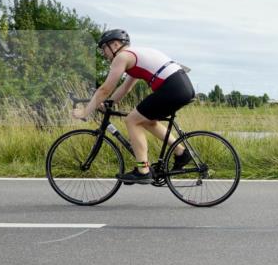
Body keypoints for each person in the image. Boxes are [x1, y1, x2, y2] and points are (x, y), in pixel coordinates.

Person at [74, 29, 195, 184]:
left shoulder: (122, 57)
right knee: (147, 120)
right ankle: (180, 151)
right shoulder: (134, 56)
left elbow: (105, 89)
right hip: (182, 86)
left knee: (132, 120)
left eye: (104, 48)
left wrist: (85, 112)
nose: (103, 54)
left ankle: (143, 170)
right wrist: (110, 103)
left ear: (115, 44)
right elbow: (125, 88)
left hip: (172, 87)